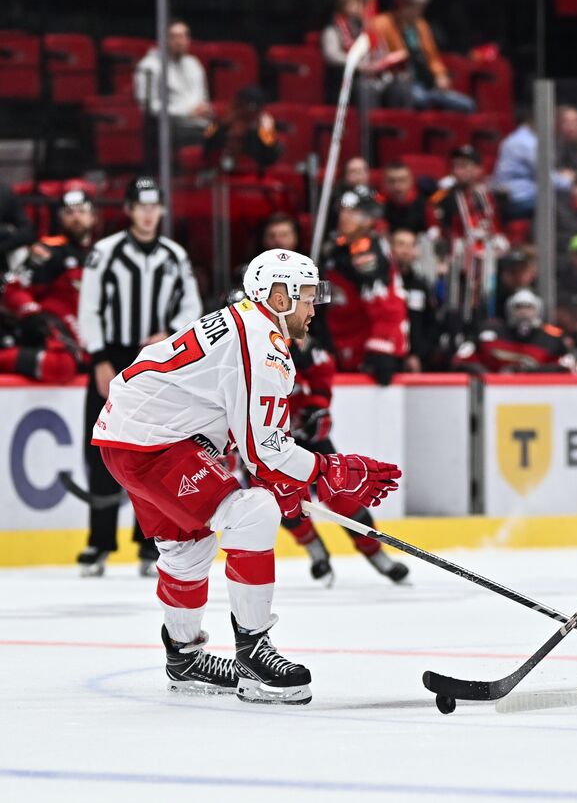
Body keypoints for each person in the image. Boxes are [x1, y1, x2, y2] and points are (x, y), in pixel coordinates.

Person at [92, 249, 400, 702]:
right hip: (154, 444)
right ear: (278, 296)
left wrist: (288, 481)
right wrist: (330, 469)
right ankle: (254, 655)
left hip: (132, 434)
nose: (314, 309)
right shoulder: (263, 346)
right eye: (307, 297)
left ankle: (184, 656)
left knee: (187, 543)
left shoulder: (245, 324)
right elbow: (266, 451)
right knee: (253, 511)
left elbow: (252, 447)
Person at [77, 178, 202, 577]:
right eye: (141, 206)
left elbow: (192, 308)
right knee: (102, 448)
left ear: (162, 210)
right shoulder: (105, 252)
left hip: (155, 360)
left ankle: (150, 545)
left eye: (155, 206)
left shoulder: (174, 255)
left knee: (152, 449)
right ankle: (99, 543)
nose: (149, 214)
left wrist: (169, 332)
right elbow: (89, 306)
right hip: (112, 355)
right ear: (129, 210)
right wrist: (97, 357)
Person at [275, 297, 410, 587]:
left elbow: (323, 366)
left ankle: (376, 555)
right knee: (283, 501)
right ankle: (315, 550)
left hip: (302, 431)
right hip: (265, 440)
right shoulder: (236, 348)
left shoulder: (289, 340)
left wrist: (317, 405)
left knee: (341, 491)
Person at [0, 186, 94, 385]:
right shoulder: (48, 250)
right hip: (56, 333)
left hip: (90, 338)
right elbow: (14, 288)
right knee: (62, 365)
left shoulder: (101, 254)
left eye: (82, 211)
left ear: (93, 216)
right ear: (60, 218)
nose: (76, 217)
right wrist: (32, 314)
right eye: (69, 212)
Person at [322, 185, 408, 384]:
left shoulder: (367, 250)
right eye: (343, 210)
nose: (345, 215)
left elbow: (384, 302)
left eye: (353, 211)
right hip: (339, 342)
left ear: (370, 217)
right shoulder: (336, 249)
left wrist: (382, 345)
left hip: (365, 349)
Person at [371, 0, 476, 114]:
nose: (419, 10)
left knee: (467, 105)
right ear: (401, 7)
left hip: (427, 83)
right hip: (401, 83)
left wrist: (440, 75)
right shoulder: (381, 24)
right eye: (414, 6)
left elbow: (432, 56)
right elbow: (377, 57)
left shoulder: (421, 25)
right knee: (420, 99)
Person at [452, 290, 573, 373]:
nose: (524, 312)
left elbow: (567, 365)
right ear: (510, 309)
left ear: (538, 310)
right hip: (493, 392)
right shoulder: (489, 332)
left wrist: (532, 373)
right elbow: (461, 359)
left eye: (529, 307)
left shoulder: (552, 337)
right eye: (519, 307)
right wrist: (485, 375)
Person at [133, 20, 212, 148]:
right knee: (208, 138)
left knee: (224, 133)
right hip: (171, 128)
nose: (179, 42)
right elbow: (148, 107)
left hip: (202, 125)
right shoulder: (148, 67)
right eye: (174, 37)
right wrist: (186, 112)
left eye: (183, 36)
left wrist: (204, 109)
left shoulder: (194, 63)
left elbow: (203, 98)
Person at [202, 86, 281, 174]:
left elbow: (271, 158)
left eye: (252, 108)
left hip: (251, 177)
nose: (244, 112)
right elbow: (205, 142)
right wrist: (220, 123)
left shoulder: (263, 131)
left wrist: (267, 132)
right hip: (220, 176)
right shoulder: (219, 124)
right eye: (240, 106)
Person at [389, 227, 436, 372]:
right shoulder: (382, 282)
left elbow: (428, 321)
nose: (405, 250)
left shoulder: (420, 285)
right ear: (391, 249)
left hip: (414, 359)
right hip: (386, 356)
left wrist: (418, 354)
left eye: (410, 245)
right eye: (401, 244)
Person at [382, 161, 429, 234]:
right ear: (384, 183)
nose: (397, 186)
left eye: (402, 180)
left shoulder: (425, 205)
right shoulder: (378, 204)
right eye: (391, 181)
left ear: (411, 181)